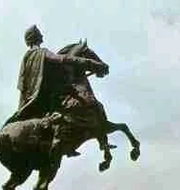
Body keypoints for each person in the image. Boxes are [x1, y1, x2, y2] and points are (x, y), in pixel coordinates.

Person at [10, 25, 109, 157]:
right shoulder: (41, 52)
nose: (42, 36)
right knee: (73, 108)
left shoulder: (26, 57)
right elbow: (63, 59)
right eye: (40, 34)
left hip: (28, 100)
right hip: (43, 97)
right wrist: (90, 63)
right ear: (37, 37)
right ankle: (63, 138)